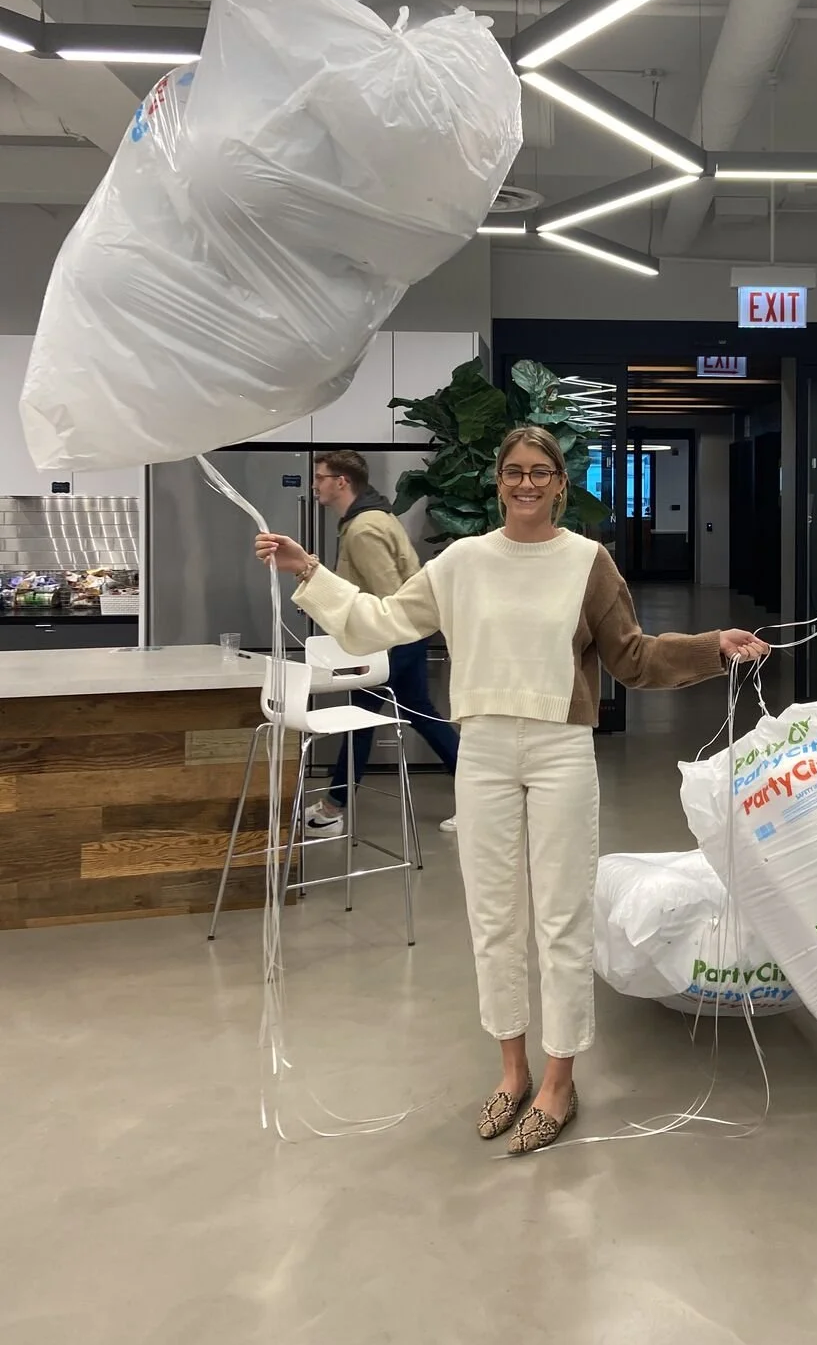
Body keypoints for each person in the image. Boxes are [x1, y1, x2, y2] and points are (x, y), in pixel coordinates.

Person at [256, 425, 768, 1156]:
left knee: (562, 917)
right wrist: (308, 568)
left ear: (560, 483)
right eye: (515, 472)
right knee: (493, 917)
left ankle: (559, 1080)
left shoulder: (588, 561)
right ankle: (512, 1070)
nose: (527, 483)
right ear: (499, 482)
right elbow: (377, 623)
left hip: (562, 748)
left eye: (541, 472)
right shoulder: (463, 561)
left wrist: (710, 646)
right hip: (485, 750)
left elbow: (632, 657)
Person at [306, 449, 458, 835]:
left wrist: (376, 654)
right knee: (418, 713)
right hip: (405, 635)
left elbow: (391, 597)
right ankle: (484, 795)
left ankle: (333, 807)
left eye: (320, 478)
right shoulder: (371, 517)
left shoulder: (363, 529)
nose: (315, 485)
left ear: (342, 482)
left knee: (360, 718)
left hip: (391, 639)